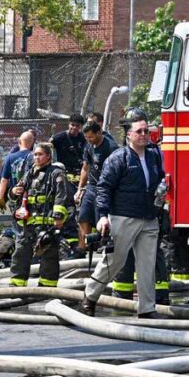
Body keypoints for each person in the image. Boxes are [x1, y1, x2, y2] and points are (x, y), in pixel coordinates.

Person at [81, 114, 163, 318]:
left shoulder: (154, 156)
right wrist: (101, 216)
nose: (144, 135)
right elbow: (104, 187)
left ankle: (147, 308)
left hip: (149, 217)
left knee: (147, 265)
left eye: (146, 131)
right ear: (128, 136)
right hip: (123, 217)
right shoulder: (118, 158)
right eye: (139, 131)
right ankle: (90, 297)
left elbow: (161, 180)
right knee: (114, 261)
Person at [8, 142, 69, 288]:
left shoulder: (56, 173)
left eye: (40, 154)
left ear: (48, 156)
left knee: (49, 256)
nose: (36, 157)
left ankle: (47, 289)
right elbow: (16, 194)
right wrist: (13, 191)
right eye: (35, 154)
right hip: (28, 223)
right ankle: (16, 286)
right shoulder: (29, 173)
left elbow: (61, 196)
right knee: (21, 253)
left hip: (47, 224)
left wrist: (58, 217)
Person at [77, 121, 118, 248]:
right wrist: (79, 189)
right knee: (83, 217)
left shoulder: (111, 148)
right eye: (86, 137)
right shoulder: (89, 146)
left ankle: (103, 245)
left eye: (91, 137)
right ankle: (82, 248)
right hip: (91, 187)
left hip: (105, 188)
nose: (89, 140)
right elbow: (85, 168)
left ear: (99, 132)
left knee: (101, 219)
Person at [51, 114, 86, 254]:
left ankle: (83, 239)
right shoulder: (60, 137)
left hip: (80, 178)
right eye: (72, 125)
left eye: (77, 126)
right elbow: (48, 146)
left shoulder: (83, 139)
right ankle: (71, 239)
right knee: (69, 207)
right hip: (65, 179)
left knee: (82, 208)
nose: (74, 128)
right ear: (68, 124)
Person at [0, 130, 35, 211]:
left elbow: (4, 180)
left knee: (17, 221)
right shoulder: (36, 157)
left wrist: (0, 198)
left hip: (16, 196)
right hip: (32, 197)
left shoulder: (10, 157)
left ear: (19, 141)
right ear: (32, 143)